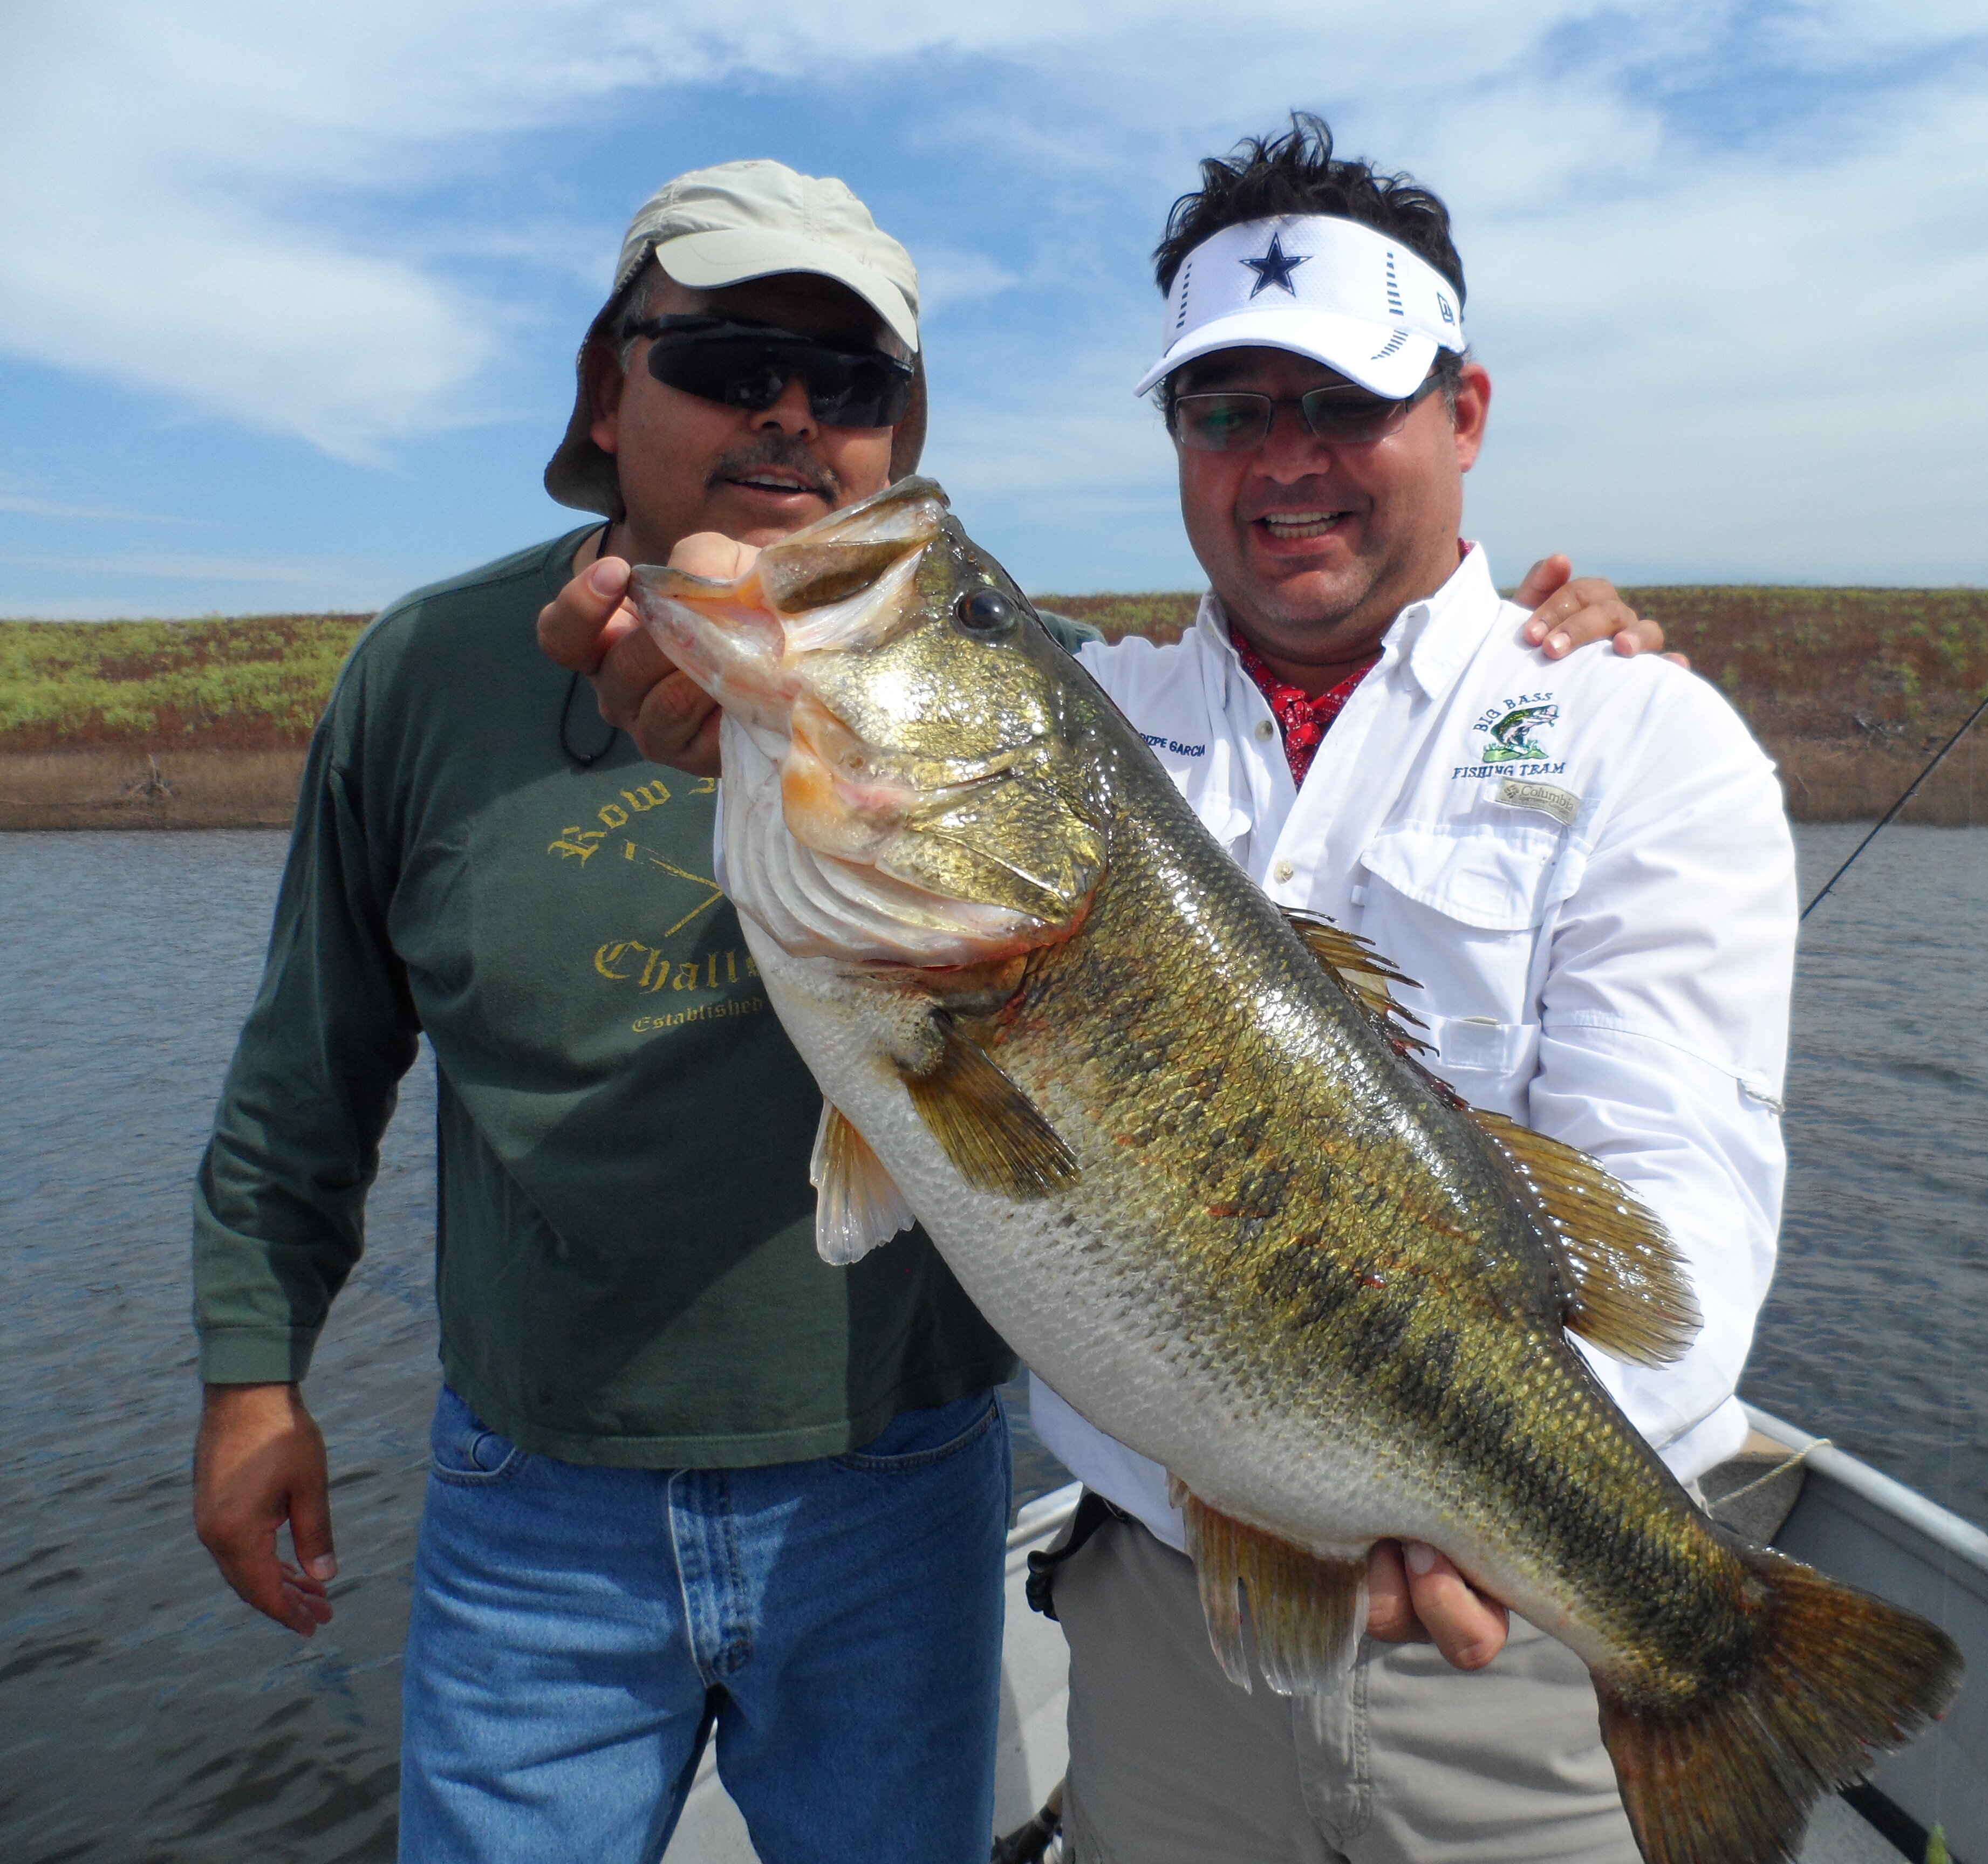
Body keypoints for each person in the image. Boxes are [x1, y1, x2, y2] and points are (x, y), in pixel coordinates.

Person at [193, 158, 1668, 1863]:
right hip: (537, 1506)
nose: (793, 420)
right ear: (609, 388)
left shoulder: (1031, 687)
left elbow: (1280, 746)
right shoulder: (425, 678)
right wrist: (252, 1381)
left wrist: (1565, 639)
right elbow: (307, 1072)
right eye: (733, 363)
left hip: (897, 1500)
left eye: (855, 386)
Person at [1026, 117, 1798, 1862]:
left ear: (1462, 413)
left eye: (1342, 401)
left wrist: (1478, 1511)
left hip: (1522, 1653)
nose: (1281, 459)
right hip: (1164, 1637)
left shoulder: (1631, 727)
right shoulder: (1074, 730)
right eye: (1225, 409)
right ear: (1173, 440)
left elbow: (1671, 1200)